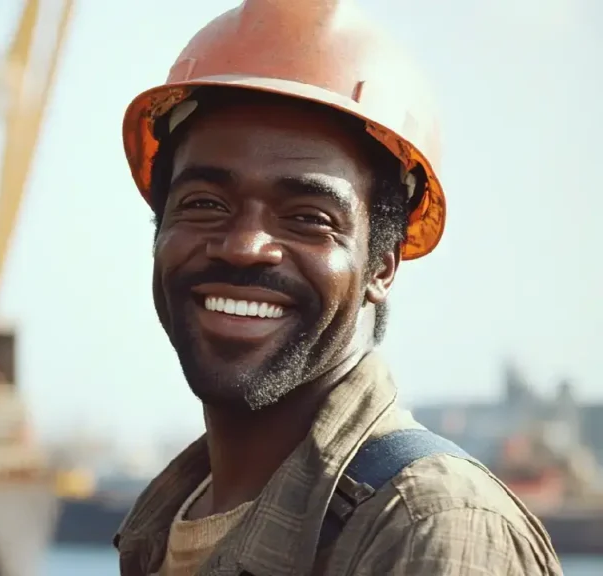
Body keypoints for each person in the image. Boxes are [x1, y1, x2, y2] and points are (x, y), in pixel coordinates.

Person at [112, 2, 563, 575]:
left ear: (381, 267)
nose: (245, 246)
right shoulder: (168, 521)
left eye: (308, 217)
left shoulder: (433, 529)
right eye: (204, 204)